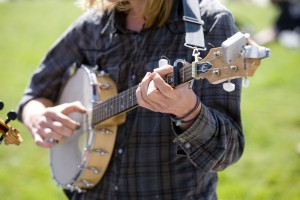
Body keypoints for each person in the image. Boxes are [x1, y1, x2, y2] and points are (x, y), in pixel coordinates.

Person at [18, 0, 244, 199]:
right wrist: (37, 116)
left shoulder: (209, 22)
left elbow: (227, 152)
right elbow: (35, 94)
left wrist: (189, 112)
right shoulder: (93, 25)